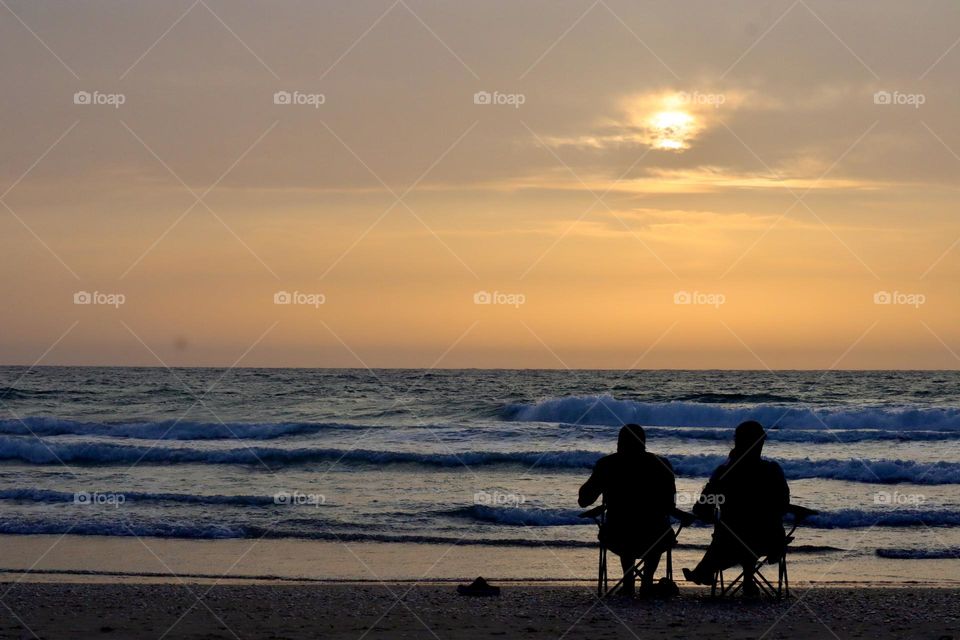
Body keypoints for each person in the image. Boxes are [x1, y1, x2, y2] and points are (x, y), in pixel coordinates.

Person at [683, 420, 789, 597]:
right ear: (761, 442)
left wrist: (717, 518)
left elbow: (701, 509)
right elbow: (783, 505)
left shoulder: (724, 472)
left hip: (730, 543)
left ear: (736, 442)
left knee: (732, 534)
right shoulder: (772, 471)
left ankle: (705, 571)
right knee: (748, 532)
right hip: (769, 540)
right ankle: (744, 580)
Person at [578, 423, 676, 597]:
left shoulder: (607, 464)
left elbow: (584, 500)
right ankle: (647, 582)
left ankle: (629, 581)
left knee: (626, 530)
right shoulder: (662, 464)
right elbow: (670, 505)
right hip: (656, 536)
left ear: (619, 443)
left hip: (617, 535)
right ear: (644, 442)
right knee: (654, 530)